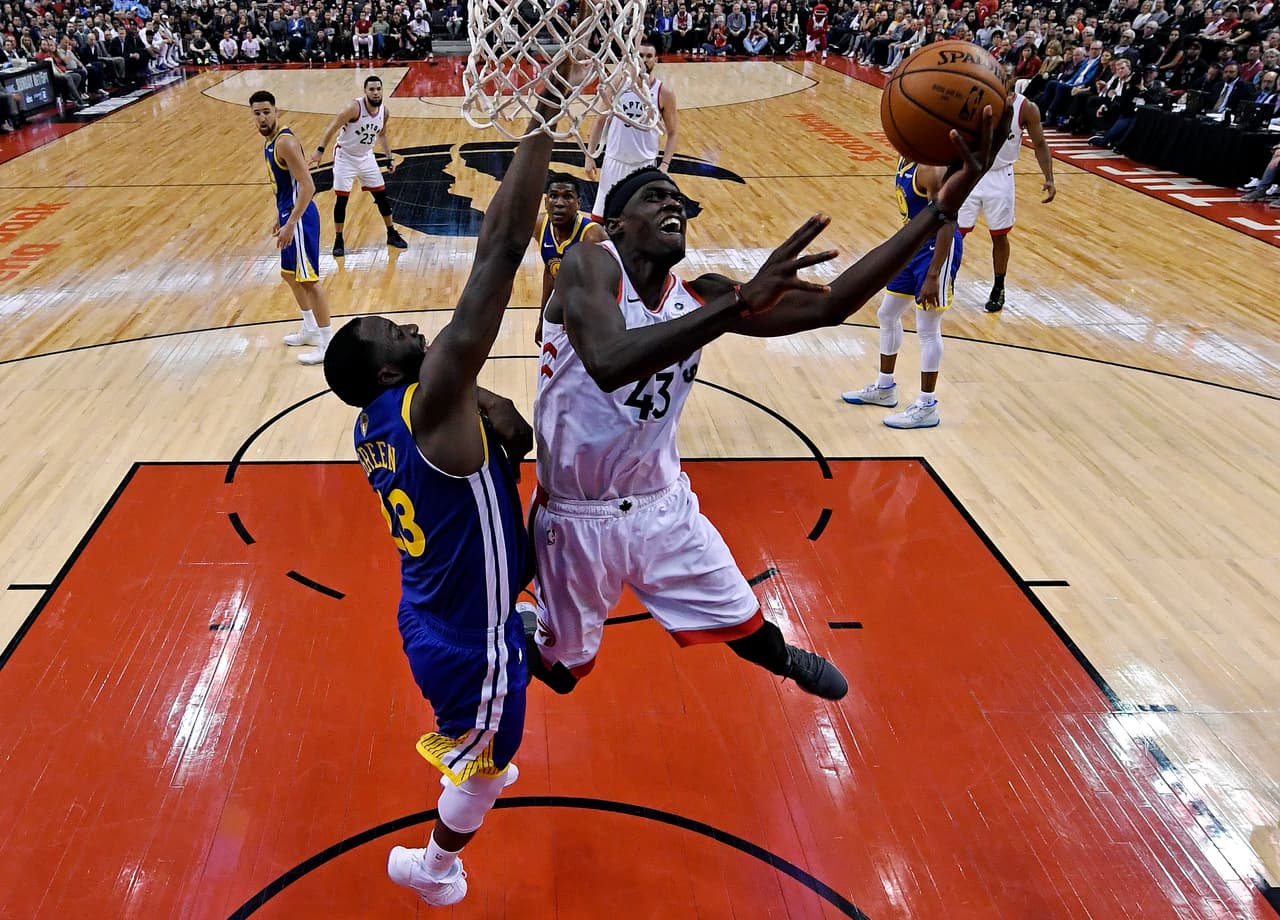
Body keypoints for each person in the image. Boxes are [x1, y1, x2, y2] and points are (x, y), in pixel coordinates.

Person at [530, 110, 1008, 694]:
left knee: (740, 614)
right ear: (617, 225)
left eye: (678, 201)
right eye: (654, 197)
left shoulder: (700, 295)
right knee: (562, 675)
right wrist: (737, 305)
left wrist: (939, 212)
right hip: (577, 515)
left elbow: (828, 306)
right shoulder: (589, 264)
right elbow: (608, 361)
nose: (672, 206)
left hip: (661, 503)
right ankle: (522, 626)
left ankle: (783, 659)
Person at [320, 68, 575, 909]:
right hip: (472, 640)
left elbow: (494, 431)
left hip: (435, 611)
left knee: (500, 700)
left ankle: (520, 644)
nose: (413, 324)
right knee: (490, 768)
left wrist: (487, 409)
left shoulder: (375, 423)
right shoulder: (430, 405)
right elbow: (499, 254)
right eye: (398, 331)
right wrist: (543, 115)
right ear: (396, 371)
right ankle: (433, 864)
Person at [840, 158, 964, 428]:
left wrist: (933, 274)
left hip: (936, 252)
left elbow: (947, 220)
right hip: (913, 246)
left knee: (927, 328)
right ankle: (885, 388)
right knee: (887, 313)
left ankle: (927, 405)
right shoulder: (905, 159)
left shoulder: (931, 169)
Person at [956, 69, 1055, 312]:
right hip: (970, 171)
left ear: (1013, 82)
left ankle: (999, 287)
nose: (1004, 81)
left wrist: (1049, 178)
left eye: (1008, 78)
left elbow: (1040, 144)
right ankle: (944, 279)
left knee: (999, 234)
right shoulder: (974, 99)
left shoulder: (1027, 108)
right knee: (954, 232)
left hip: (1000, 175)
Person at [249, 90, 332, 365]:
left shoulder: (284, 142)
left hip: (301, 218)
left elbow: (308, 185)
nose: (262, 118)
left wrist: (291, 222)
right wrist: (280, 216)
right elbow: (286, 187)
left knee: (309, 280)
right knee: (289, 274)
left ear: (276, 110)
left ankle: (326, 342)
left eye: (266, 112)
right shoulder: (269, 141)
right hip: (289, 215)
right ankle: (309, 328)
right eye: (257, 113)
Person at [307, 74, 408, 257]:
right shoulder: (353, 108)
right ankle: (339, 238)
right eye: (372, 89)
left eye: (378, 89)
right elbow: (332, 127)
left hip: (366, 156)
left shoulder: (384, 112)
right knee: (342, 199)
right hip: (345, 156)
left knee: (381, 197)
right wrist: (320, 150)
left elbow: (382, 135)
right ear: (365, 91)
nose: (376, 93)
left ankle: (391, 233)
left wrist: (389, 157)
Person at [584, 40, 679, 219]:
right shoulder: (618, 83)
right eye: (640, 56)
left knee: (639, 223)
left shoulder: (663, 92)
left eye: (649, 56)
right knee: (600, 221)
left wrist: (665, 165)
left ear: (656, 59)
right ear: (633, 58)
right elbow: (599, 121)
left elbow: (673, 133)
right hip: (614, 161)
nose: (645, 60)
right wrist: (589, 157)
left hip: (644, 167)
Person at [532, 172, 607, 343]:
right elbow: (551, 272)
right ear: (545, 202)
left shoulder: (593, 237)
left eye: (567, 197)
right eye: (553, 196)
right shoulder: (539, 226)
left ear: (578, 203)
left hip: (593, 316)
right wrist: (542, 319)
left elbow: (608, 290)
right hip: (565, 307)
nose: (559, 203)